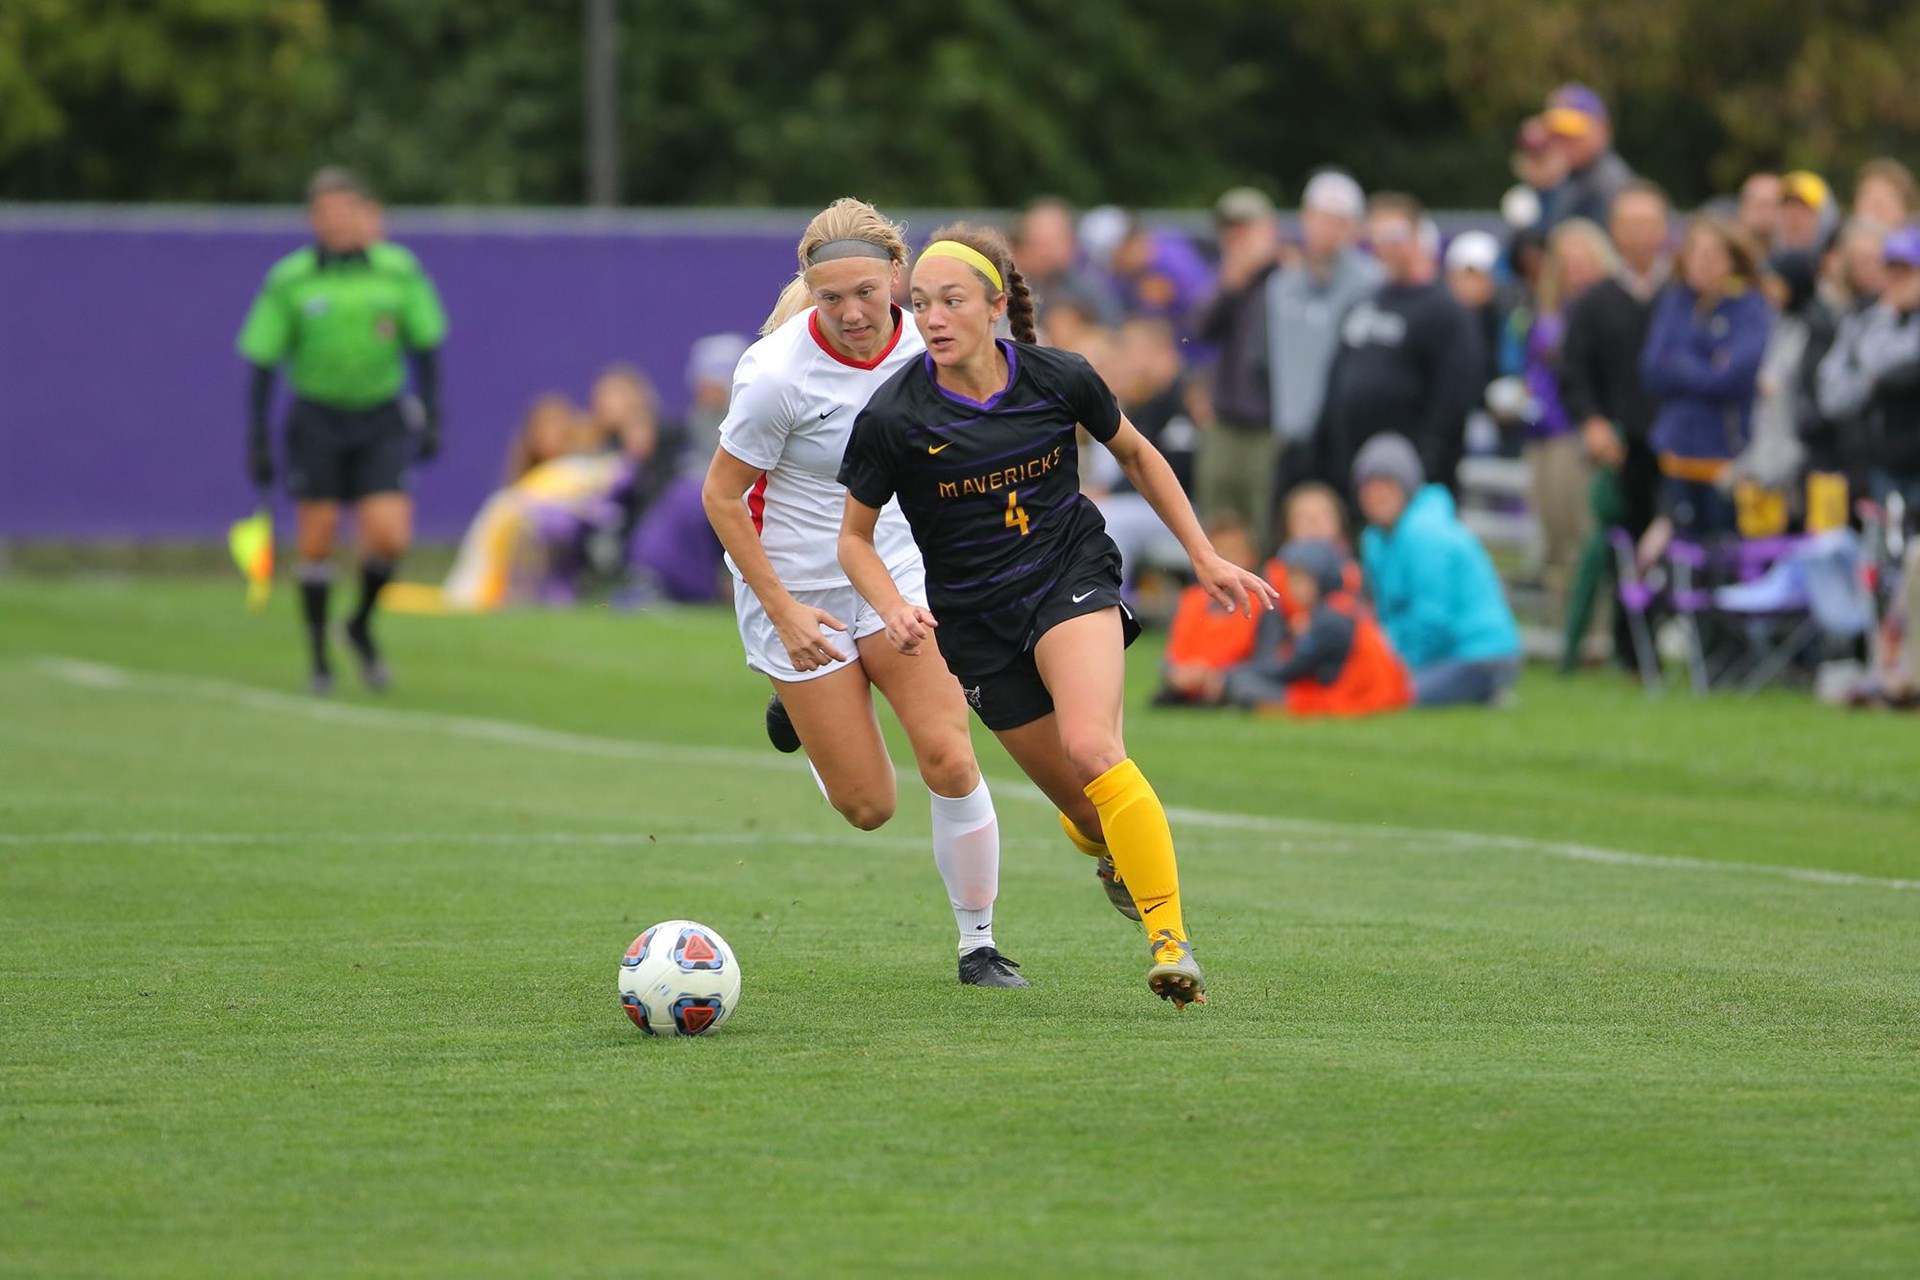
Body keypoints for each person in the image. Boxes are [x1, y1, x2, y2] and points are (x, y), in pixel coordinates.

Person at [837, 222, 1278, 1008]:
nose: (933, 319)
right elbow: (854, 541)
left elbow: (1139, 455)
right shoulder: (894, 417)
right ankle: (1113, 855)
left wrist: (1204, 555)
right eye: (922, 305)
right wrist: (891, 605)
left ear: (995, 305)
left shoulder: (1060, 377)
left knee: (1094, 749)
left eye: (952, 301)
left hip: (1068, 576)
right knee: (1084, 811)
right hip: (976, 625)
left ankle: (1171, 944)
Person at [697, 198, 1025, 990]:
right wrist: (780, 609)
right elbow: (721, 496)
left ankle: (977, 944)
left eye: (866, 294)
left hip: (897, 574)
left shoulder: (931, 346)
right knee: (869, 806)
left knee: (949, 756)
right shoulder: (775, 375)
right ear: (809, 290)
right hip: (798, 588)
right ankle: (803, 708)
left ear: (897, 280)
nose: (850, 313)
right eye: (830, 296)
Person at [236, 167, 447, 695]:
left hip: (380, 415)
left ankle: (358, 626)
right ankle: (318, 658)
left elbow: (427, 346)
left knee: (390, 533)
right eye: (326, 212)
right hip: (317, 418)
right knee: (318, 533)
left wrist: (434, 414)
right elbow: (263, 359)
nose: (338, 222)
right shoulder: (291, 279)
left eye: (346, 210)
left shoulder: (398, 271)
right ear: (314, 219)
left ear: (364, 213)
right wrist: (258, 434)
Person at [1315, 192, 1482, 501]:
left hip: (1409, 480)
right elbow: (1336, 379)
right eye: (1376, 235)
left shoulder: (1446, 311)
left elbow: (1453, 403)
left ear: (1419, 236)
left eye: (1395, 235)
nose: (1385, 244)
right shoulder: (1363, 301)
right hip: (1350, 473)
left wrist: (1426, 468)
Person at [1353, 434, 1522, 707]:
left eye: (1387, 485)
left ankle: (1481, 690)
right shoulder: (1376, 540)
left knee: (1390, 695)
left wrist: (1391, 665)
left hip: (1478, 654)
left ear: (1406, 487)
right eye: (1369, 487)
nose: (1377, 495)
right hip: (1444, 651)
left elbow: (1432, 622)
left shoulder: (1426, 535)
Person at [1640, 214, 1773, 539]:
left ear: (1732, 260)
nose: (1703, 263)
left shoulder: (1749, 307)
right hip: (1675, 452)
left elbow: (1732, 378)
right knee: (1679, 550)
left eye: (1713, 254)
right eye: (1696, 253)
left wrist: (1681, 362)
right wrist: (1707, 362)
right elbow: (1652, 369)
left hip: (1724, 458)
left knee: (1722, 550)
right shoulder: (1674, 301)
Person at [1267, 170, 1383, 524]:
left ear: (1353, 228)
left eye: (1337, 221)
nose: (1325, 230)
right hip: (1292, 435)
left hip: (1347, 438)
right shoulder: (1281, 284)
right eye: (1319, 218)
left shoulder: (1373, 283)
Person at [1522, 219, 1615, 628]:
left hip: (1577, 433)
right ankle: (1565, 626)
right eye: (1567, 261)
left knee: (1585, 532)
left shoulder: (1603, 312)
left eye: (1584, 260)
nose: (1575, 270)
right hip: (1541, 431)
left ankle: (1593, 629)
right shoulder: (1546, 312)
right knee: (1554, 533)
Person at [1219, 539, 1414, 718]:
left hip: (1355, 700)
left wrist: (1228, 675)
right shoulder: (1341, 607)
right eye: (1292, 580)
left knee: (1243, 685)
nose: (1294, 588)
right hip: (1374, 694)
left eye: (1302, 580)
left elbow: (1289, 668)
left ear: (1322, 578)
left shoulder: (1328, 620)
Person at [1193, 186, 1284, 547]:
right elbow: (1198, 330)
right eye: (1230, 229)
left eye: (1246, 228)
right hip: (1225, 420)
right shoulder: (1226, 280)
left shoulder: (1288, 278)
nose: (1237, 238)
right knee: (1215, 524)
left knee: (1262, 527)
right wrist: (1230, 285)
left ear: (1268, 229)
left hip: (1271, 424)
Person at [1815, 225, 1920, 519]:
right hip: (1877, 467)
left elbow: (1887, 364)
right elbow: (1832, 396)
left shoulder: (1874, 320)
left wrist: (1872, 375)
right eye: (1892, 271)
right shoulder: (1863, 319)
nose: (1898, 282)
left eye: (1908, 272)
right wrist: (1874, 378)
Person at [1010, 197, 1123, 327]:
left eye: (1050, 244)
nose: (1044, 254)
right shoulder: (1012, 290)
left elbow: (1112, 333)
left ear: (1071, 243)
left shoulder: (1093, 294)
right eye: (1036, 243)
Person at [1540, 83, 1634, 230]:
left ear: (1602, 130)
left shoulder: (1607, 184)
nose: (1563, 142)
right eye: (1556, 134)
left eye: (1573, 133)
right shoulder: (1571, 176)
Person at [1854, 159, 1917, 231]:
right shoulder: (1841, 236)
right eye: (1868, 196)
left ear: (1906, 207)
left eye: (1889, 197)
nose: (1877, 205)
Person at [1737, 173, 1784, 250]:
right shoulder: (1726, 254)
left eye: (1776, 205)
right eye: (1763, 205)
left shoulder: (1789, 254)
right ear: (1744, 207)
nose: (1768, 212)